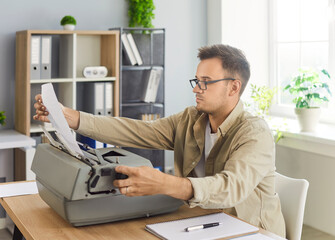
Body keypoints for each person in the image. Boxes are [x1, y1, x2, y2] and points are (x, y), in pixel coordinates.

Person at [33, 44, 285, 237]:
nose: (196, 88)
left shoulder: (254, 133)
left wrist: (164, 183)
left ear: (233, 88)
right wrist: (73, 118)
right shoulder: (191, 119)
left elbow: (230, 188)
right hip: (203, 224)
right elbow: (137, 131)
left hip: (250, 233)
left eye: (206, 82)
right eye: (197, 81)